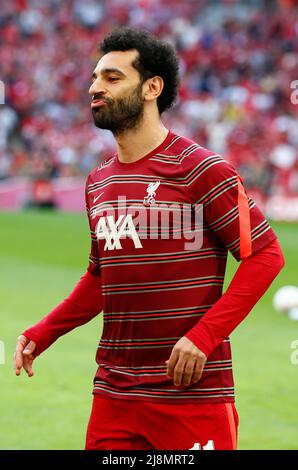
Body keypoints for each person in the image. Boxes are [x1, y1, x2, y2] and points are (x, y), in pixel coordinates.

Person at [14, 27, 285, 451]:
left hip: (191, 394)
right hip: (114, 394)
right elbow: (100, 277)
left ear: (151, 87)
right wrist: (43, 332)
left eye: (112, 77)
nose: (94, 87)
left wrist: (204, 336)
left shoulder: (202, 170)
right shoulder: (97, 182)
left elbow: (266, 255)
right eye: (94, 77)